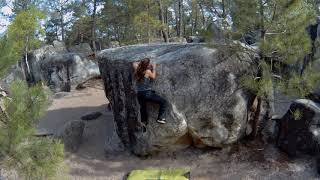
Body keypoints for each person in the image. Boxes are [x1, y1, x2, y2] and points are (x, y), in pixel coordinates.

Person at [133, 58, 168, 124]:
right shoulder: (148, 72)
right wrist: (154, 68)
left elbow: (134, 63)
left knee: (143, 108)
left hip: (139, 94)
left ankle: (144, 122)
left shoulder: (137, 70)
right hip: (147, 93)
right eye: (149, 63)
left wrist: (142, 63)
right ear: (147, 65)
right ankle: (160, 118)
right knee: (164, 102)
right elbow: (153, 77)